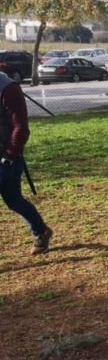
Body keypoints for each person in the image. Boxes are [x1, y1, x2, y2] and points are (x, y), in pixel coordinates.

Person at [0, 71, 52, 254]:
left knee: (14, 201)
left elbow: (20, 127)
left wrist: (9, 156)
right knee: (14, 201)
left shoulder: (8, 89)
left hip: (6, 160)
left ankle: (41, 231)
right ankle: (42, 231)